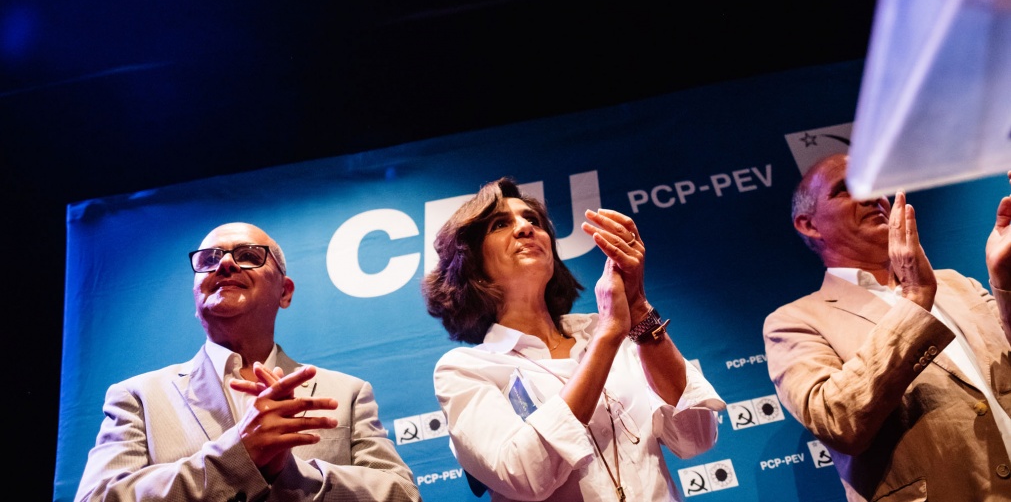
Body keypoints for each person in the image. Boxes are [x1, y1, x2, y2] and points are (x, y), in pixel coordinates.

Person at [423, 177, 725, 502]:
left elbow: (696, 437)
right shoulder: (465, 369)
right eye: (500, 224)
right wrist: (609, 336)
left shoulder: (619, 336)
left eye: (533, 220)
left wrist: (638, 308)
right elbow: (523, 475)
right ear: (472, 264)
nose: (526, 229)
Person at [75, 222, 421, 502]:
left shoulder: (346, 394)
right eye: (209, 259)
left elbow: (403, 495)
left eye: (248, 255)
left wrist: (292, 473)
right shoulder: (139, 397)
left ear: (285, 292)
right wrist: (238, 456)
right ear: (196, 293)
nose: (225, 264)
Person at [763, 154, 1011, 501]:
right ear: (809, 224)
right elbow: (837, 422)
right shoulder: (794, 322)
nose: (870, 195)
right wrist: (915, 300)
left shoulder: (956, 284)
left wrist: (1004, 277)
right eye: (846, 188)